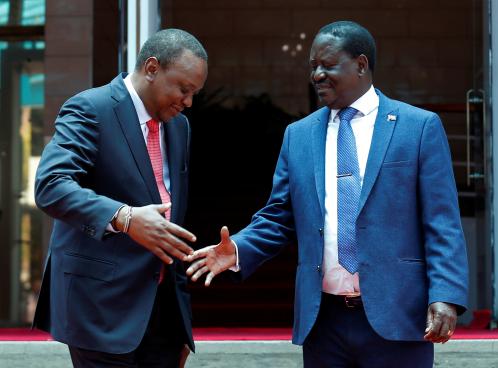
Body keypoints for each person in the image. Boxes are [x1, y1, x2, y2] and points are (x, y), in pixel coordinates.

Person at [186, 21, 468, 367]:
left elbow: (442, 221)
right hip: (324, 323)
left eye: (327, 64)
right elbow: (279, 217)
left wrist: (445, 295)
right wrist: (239, 250)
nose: (317, 74)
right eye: (313, 66)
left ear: (361, 65)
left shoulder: (418, 127)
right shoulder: (299, 135)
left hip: (397, 315)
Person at [33, 29, 208, 367]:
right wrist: (125, 217)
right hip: (99, 309)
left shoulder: (179, 127)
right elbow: (51, 184)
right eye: (184, 89)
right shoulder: (91, 108)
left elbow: (171, 222)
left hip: (161, 316)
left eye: (194, 93)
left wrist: (179, 326)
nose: (188, 101)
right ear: (152, 68)